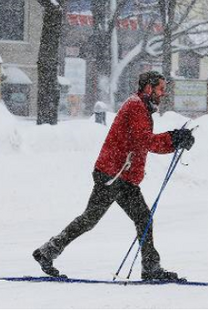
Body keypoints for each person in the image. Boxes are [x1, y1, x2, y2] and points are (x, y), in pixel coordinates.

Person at [32, 71, 195, 281]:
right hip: (112, 175)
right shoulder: (136, 106)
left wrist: (174, 140)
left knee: (142, 219)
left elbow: (141, 142)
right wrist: (173, 140)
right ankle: (47, 251)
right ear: (148, 88)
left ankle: (151, 268)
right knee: (92, 219)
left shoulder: (141, 107)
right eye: (161, 89)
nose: (163, 94)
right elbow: (143, 141)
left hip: (122, 177)